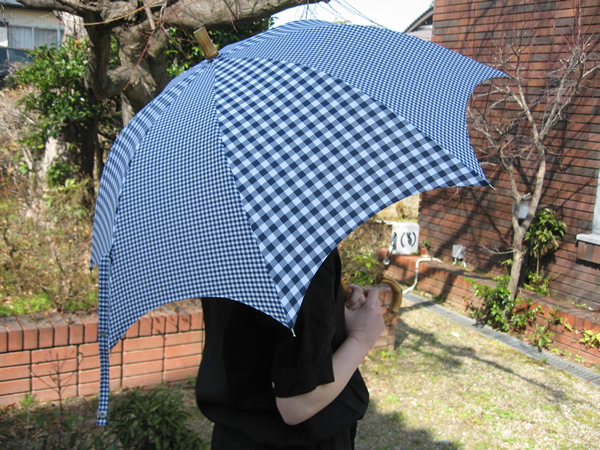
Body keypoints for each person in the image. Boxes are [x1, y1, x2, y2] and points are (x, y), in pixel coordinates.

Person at [195, 247, 385, 449]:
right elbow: (298, 404)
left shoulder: (222, 242)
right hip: (294, 440)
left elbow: (252, 332)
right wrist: (361, 337)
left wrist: (331, 310)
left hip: (233, 436)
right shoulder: (302, 249)